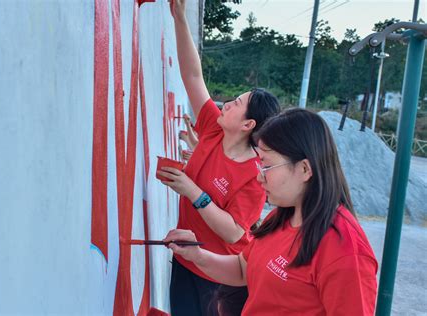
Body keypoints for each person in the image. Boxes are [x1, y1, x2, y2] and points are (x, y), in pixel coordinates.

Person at [164, 108, 379, 315]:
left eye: (266, 166)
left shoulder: (345, 250)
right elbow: (242, 270)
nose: (259, 177)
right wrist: (197, 255)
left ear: (304, 169)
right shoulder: (282, 217)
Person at [156, 1, 281, 315]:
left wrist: (191, 190)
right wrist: (179, 17)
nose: (225, 104)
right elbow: (193, 77)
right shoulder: (213, 128)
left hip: (221, 276)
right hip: (186, 258)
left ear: (248, 124)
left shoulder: (255, 175)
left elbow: (235, 232)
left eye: (236, 103)